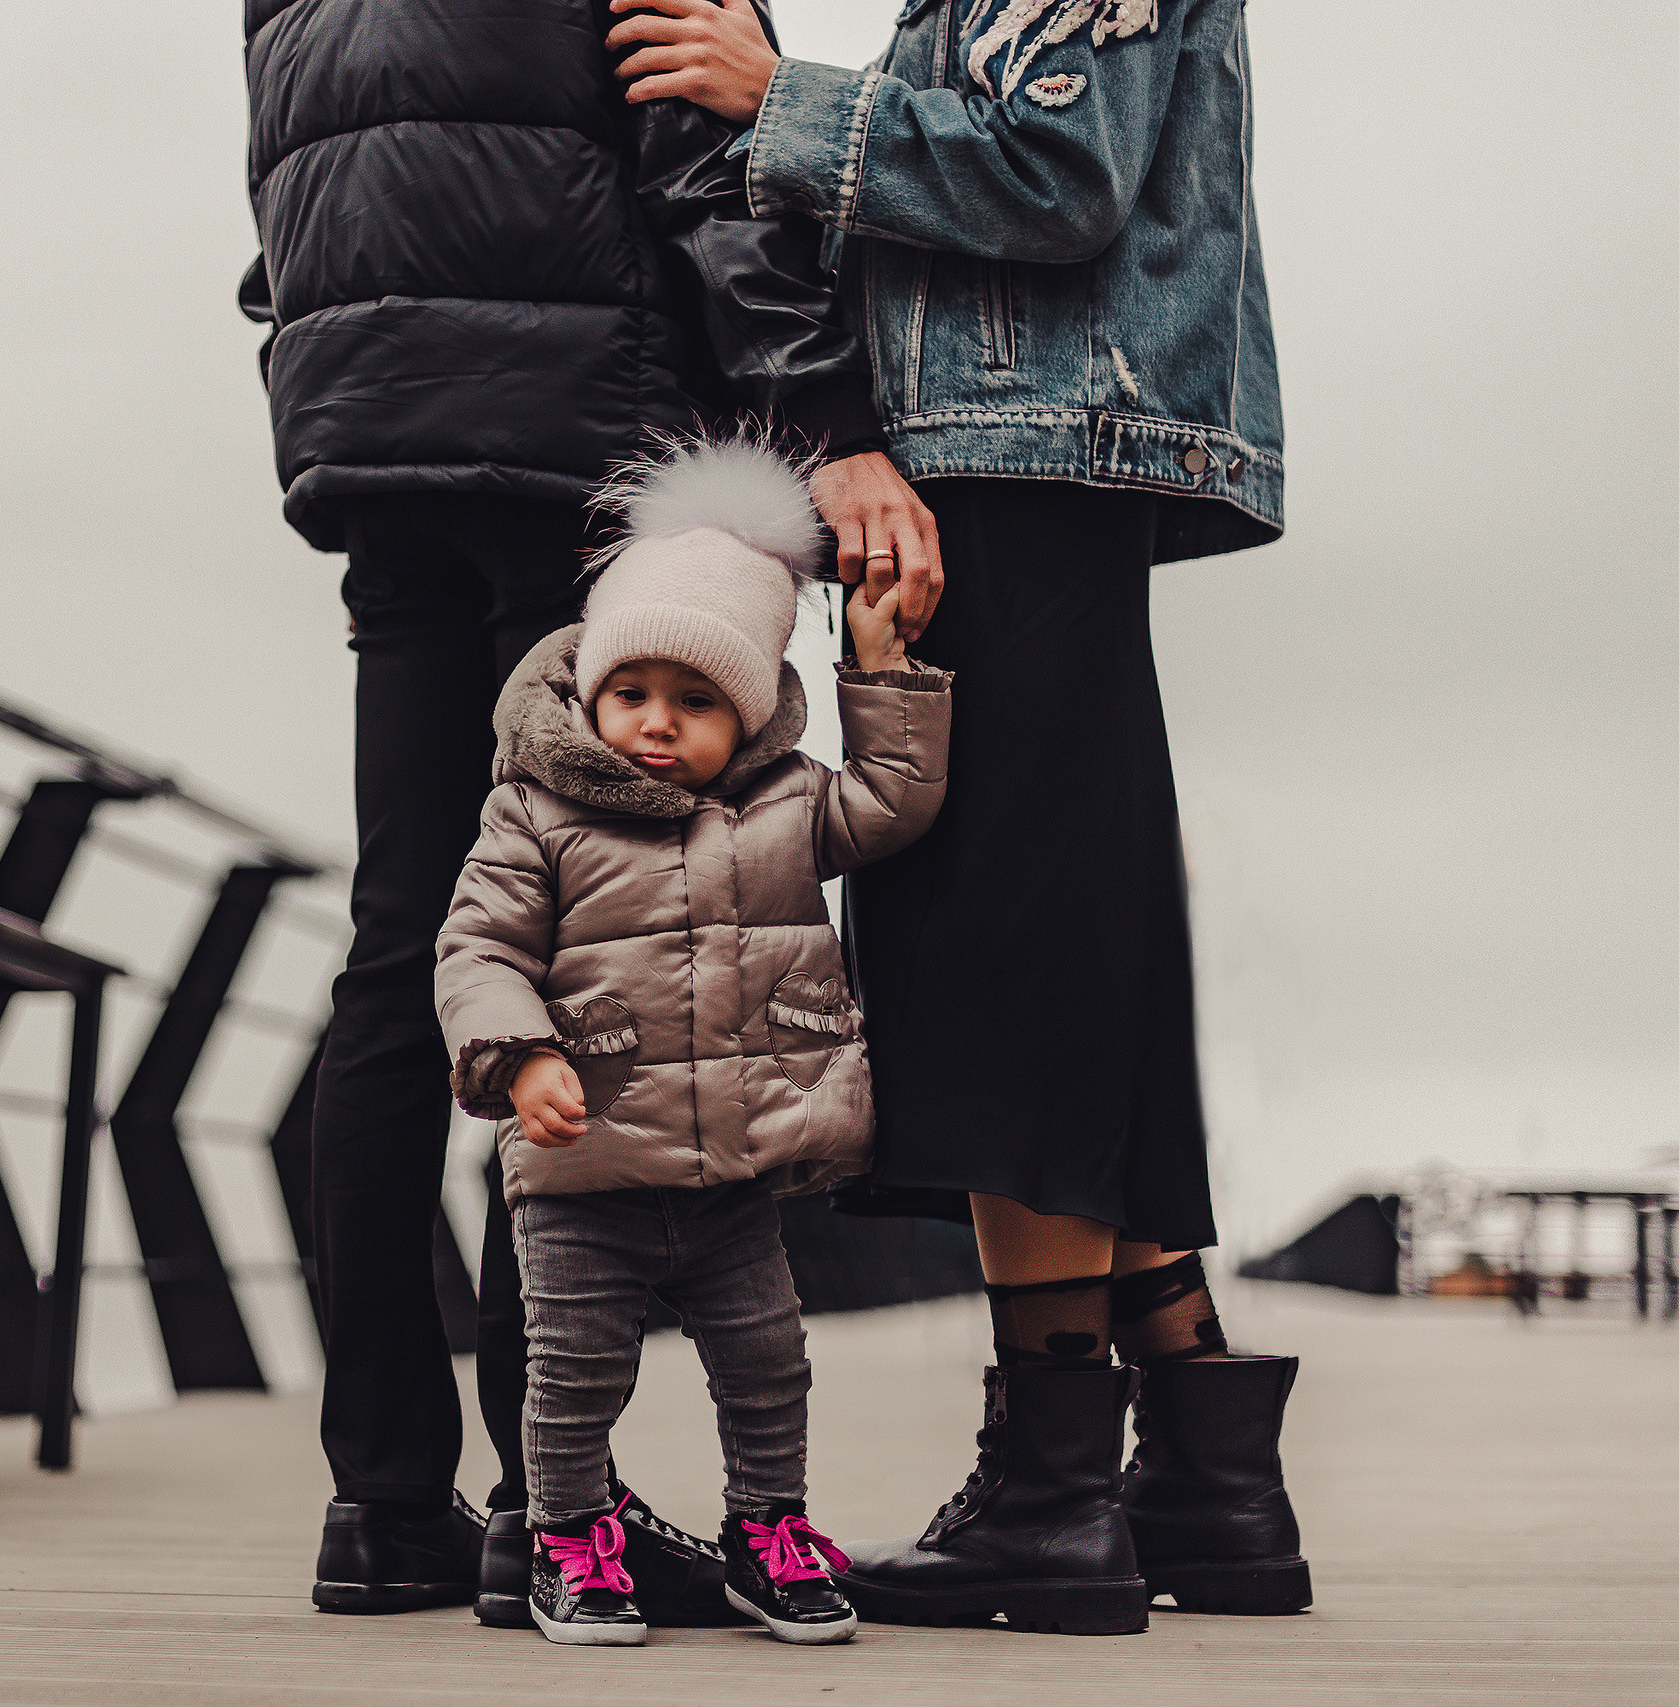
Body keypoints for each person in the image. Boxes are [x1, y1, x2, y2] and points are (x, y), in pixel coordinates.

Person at [604, 0, 1306, 1634]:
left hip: (1019, 452)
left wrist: (785, 98)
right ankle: (1209, 1483)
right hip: (1032, 450)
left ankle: (1058, 1500)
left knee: (1009, 955)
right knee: (1069, 941)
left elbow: (1060, 173)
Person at [241, 0, 892, 1625]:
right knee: (591, 944)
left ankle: (380, 1503)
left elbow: (283, 234)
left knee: (402, 958)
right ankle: (548, 1502)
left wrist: (362, 440)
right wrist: (833, 441)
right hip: (578, 450)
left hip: (382, 462)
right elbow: (717, 177)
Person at [435, 437, 955, 1645]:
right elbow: (476, 952)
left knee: (768, 1361)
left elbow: (891, 802)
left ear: (758, 710)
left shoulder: (777, 806)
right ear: (588, 691)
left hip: (735, 1175)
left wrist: (885, 675)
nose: (656, 727)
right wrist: (521, 1057)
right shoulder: (535, 810)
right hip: (583, 1169)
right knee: (573, 1374)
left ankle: (767, 1530)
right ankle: (569, 1541)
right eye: (633, 695)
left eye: (697, 702)